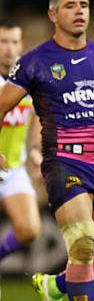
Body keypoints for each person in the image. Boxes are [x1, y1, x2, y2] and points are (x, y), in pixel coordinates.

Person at [0, 0, 94, 301]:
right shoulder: (35, 61)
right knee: (82, 242)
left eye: (84, 4)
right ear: (53, 14)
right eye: (70, 5)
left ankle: (55, 285)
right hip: (63, 161)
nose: (80, 10)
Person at [0, 21, 41, 263]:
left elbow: (36, 115)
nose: (9, 48)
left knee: (29, 229)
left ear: (21, 45)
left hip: (13, 168)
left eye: (14, 42)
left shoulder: (26, 80)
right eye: (3, 41)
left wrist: (35, 150)